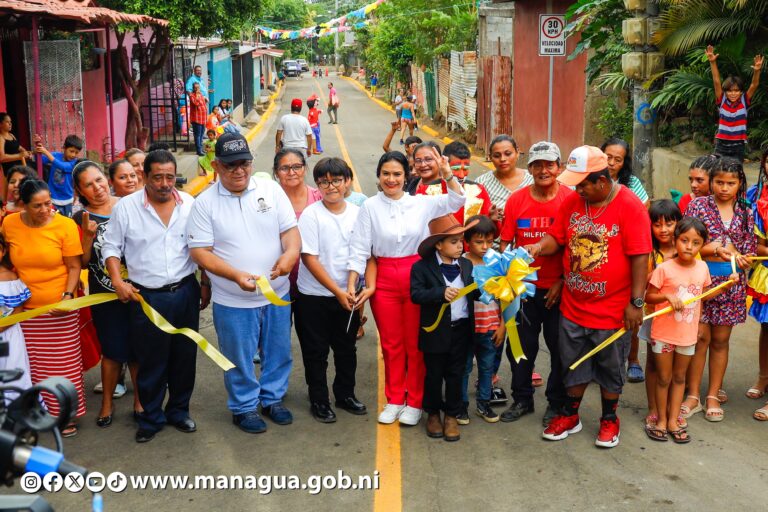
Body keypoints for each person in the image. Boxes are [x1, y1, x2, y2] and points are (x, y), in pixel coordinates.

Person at [526, 145, 651, 449]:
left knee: (610, 368)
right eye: (576, 183)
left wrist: (636, 303)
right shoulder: (572, 202)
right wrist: (538, 247)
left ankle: (609, 419)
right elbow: (557, 237)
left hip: (612, 310)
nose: (578, 189)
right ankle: (571, 414)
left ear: (603, 180)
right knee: (573, 363)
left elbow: (640, 257)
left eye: (583, 183)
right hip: (574, 305)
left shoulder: (629, 205)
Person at [188, 133, 300, 434]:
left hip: (276, 294)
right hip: (233, 300)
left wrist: (290, 255)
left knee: (278, 351)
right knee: (237, 356)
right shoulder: (204, 204)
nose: (239, 170)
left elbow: (290, 232)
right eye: (230, 165)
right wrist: (235, 276)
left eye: (245, 163)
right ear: (216, 165)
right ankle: (244, 406)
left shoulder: (271, 190)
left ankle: (273, 398)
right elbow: (199, 251)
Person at [347, 149, 465, 426]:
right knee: (390, 343)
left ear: (407, 175)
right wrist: (353, 281)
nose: (391, 179)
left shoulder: (422, 203)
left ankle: (414, 401)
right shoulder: (370, 207)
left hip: (418, 275)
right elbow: (360, 248)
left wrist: (447, 173)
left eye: (397, 174)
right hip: (385, 277)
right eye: (386, 174)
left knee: (416, 342)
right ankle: (395, 399)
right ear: (378, 176)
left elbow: (458, 199)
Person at [102, 149, 210, 443]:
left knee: (184, 357)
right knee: (151, 360)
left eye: (170, 177)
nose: (164, 184)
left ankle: (178, 411)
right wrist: (117, 281)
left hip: (185, 291)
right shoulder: (126, 208)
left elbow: (202, 246)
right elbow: (111, 247)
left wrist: (205, 283)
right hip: (146, 297)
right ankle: (150, 418)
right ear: (144, 176)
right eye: (158, 177)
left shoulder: (188, 204)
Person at [498, 141, 574, 425]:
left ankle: (556, 401)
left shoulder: (571, 199)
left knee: (560, 348)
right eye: (537, 165)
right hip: (523, 290)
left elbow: (575, 248)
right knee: (520, 347)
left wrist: (562, 282)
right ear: (529, 168)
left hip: (560, 290)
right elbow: (506, 243)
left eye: (549, 164)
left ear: (559, 167)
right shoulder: (516, 200)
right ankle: (522, 399)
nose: (544, 170)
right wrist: (506, 284)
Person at [4, 179, 84, 436]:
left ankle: (66, 415)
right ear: (23, 205)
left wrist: (67, 296)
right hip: (26, 312)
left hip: (59, 309)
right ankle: (39, 413)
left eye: (48, 203)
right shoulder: (10, 223)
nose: (45, 209)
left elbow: (74, 266)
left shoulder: (65, 225)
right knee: (35, 366)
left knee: (65, 364)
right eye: (37, 205)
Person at [681, 157, 755, 422]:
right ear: (711, 182)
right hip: (699, 281)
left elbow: (749, 247)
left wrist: (744, 258)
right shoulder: (698, 206)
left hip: (731, 285)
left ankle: (713, 394)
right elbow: (687, 243)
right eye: (719, 182)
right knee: (699, 338)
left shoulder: (746, 211)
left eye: (731, 183)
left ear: (740, 184)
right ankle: (692, 395)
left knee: (721, 341)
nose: (724, 188)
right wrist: (715, 249)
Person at [295, 157, 369, 423]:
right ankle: (319, 399)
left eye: (336, 180)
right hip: (313, 296)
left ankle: (345, 394)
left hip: (348, 294)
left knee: (346, 348)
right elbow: (309, 258)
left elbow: (361, 252)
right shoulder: (311, 215)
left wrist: (351, 286)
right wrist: (337, 291)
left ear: (347, 182)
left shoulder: (359, 213)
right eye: (324, 182)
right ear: (317, 185)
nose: (330, 186)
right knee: (316, 352)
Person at [645, 217, 728, 444]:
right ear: (676, 240)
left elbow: (705, 294)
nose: (689, 246)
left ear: (702, 246)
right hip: (663, 334)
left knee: (679, 378)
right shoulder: (664, 268)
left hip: (687, 336)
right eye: (684, 240)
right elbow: (648, 296)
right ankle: (661, 420)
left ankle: (673, 420)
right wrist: (667, 296)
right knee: (664, 378)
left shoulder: (702, 267)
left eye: (695, 242)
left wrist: (726, 286)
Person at [71, 161, 141, 427]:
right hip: (104, 295)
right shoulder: (80, 217)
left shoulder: (128, 204)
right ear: (79, 190)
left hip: (136, 290)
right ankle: (107, 403)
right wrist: (87, 237)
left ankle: (139, 401)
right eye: (88, 184)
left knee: (136, 350)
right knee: (111, 352)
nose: (97, 188)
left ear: (107, 179)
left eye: (99, 180)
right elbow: (83, 261)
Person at [475, 134, 532, 403]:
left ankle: (524, 367)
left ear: (518, 152)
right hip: (494, 264)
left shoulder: (533, 180)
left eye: (508, 153)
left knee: (522, 319)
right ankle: (492, 373)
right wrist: (489, 217)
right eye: (496, 155)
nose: (502, 159)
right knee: (498, 318)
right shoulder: (482, 184)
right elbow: (474, 221)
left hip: (528, 263)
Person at [411, 215, 479, 442]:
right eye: (454, 241)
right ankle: (432, 413)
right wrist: (439, 293)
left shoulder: (467, 264)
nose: (460, 245)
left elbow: (474, 292)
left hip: (461, 330)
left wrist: (493, 286)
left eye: (461, 240)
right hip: (436, 331)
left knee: (455, 374)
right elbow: (416, 294)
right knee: (433, 374)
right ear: (438, 245)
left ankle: (451, 414)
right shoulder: (422, 267)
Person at [640, 199, 683, 436]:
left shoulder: (685, 249)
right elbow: (645, 286)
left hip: (680, 319)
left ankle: (671, 411)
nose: (664, 229)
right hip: (654, 316)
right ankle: (654, 408)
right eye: (657, 224)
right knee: (654, 364)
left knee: (676, 368)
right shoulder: (649, 254)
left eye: (669, 223)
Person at [460, 215, 503, 424]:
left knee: (487, 366)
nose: (485, 246)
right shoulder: (461, 263)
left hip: (490, 325)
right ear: (466, 241)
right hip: (466, 327)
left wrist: (503, 326)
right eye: (479, 242)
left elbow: (507, 298)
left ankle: (484, 404)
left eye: (489, 241)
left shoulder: (498, 263)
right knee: (464, 367)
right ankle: (461, 407)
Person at [273, 148, 323, 298]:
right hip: (278, 279)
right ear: (276, 172)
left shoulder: (320, 198)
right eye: (284, 168)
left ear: (304, 168)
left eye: (296, 166)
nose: (291, 172)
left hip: (314, 281)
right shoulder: (268, 201)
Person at [706, 45, 762, 162]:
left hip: (738, 146)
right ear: (725, 92)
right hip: (721, 145)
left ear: (741, 92)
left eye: (736, 91)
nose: (733, 93)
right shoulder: (722, 101)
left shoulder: (744, 101)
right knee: (719, 172)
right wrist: (712, 62)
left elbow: (754, 85)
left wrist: (757, 71)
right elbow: (716, 81)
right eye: (729, 91)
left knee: (736, 173)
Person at [747, 149, 768, 417]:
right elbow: (758, 244)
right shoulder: (756, 195)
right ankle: (763, 376)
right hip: (765, 270)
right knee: (766, 327)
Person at [0, 232, 32, 400]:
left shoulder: (11, 279)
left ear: (4, 251)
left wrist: (3, 326)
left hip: (9, 335)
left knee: (11, 368)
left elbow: (18, 310)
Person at [441, 141, 494, 224]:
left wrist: (492, 220)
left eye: (465, 169)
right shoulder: (428, 191)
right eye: (456, 169)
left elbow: (489, 232)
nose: (461, 175)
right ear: (443, 165)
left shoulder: (479, 191)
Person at [33, 134, 83, 217]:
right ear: (64, 148)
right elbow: (40, 159)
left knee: (66, 222)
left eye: (76, 152)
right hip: (52, 198)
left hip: (67, 199)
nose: (73, 155)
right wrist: (37, 147)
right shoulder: (56, 155)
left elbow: (62, 166)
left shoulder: (74, 163)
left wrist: (46, 152)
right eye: (71, 151)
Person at [601, 138, 649, 207]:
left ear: (624, 163)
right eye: (608, 157)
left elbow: (645, 206)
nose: (611, 163)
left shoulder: (632, 182)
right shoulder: (590, 178)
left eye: (618, 160)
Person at [0, 113, 29, 182]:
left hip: (20, 166)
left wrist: (25, 152)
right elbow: (2, 158)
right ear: (0, 124)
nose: (10, 124)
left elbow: (19, 147)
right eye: (7, 122)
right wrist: (20, 155)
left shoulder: (12, 135)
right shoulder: (1, 138)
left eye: (10, 122)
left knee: (43, 168)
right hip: (11, 169)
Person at [188, 82, 208, 157]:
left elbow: (203, 103)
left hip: (202, 117)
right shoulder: (192, 95)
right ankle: (198, 150)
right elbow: (196, 103)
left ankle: (201, 149)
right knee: (197, 135)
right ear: (193, 88)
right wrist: (197, 94)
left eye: (198, 87)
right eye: (195, 87)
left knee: (202, 134)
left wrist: (205, 99)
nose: (197, 89)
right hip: (196, 118)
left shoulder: (201, 94)